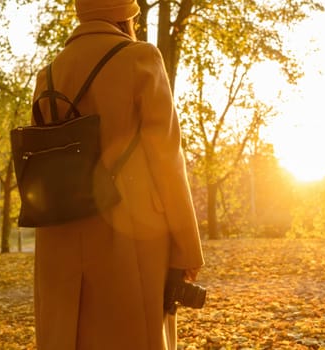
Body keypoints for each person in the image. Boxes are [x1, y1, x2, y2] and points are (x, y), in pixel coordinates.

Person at [32, 0, 205, 349]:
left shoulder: (48, 74)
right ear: (125, 13)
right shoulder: (140, 58)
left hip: (58, 239)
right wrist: (188, 249)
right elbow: (167, 158)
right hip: (127, 235)